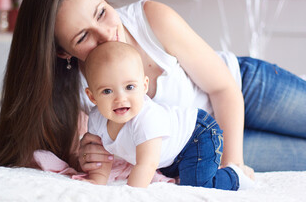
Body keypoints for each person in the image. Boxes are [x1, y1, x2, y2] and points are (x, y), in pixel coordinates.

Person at [0, 0, 306, 176]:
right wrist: (89, 155)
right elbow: (107, 147)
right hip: (199, 142)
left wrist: (231, 166)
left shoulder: (150, 19)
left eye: (102, 13)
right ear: (62, 53)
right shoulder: (78, 92)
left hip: (243, 88)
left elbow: (223, 89)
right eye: (83, 37)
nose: (107, 34)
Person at [82, 41, 254, 189]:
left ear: (144, 86)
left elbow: (146, 165)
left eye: (129, 87)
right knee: (178, 173)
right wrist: (96, 184)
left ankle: (235, 175)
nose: (120, 98)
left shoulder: (145, 119)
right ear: (92, 97)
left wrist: (130, 195)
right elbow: (101, 160)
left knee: (196, 184)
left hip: (196, 134)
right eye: (107, 91)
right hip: (171, 155)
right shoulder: (97, 119)